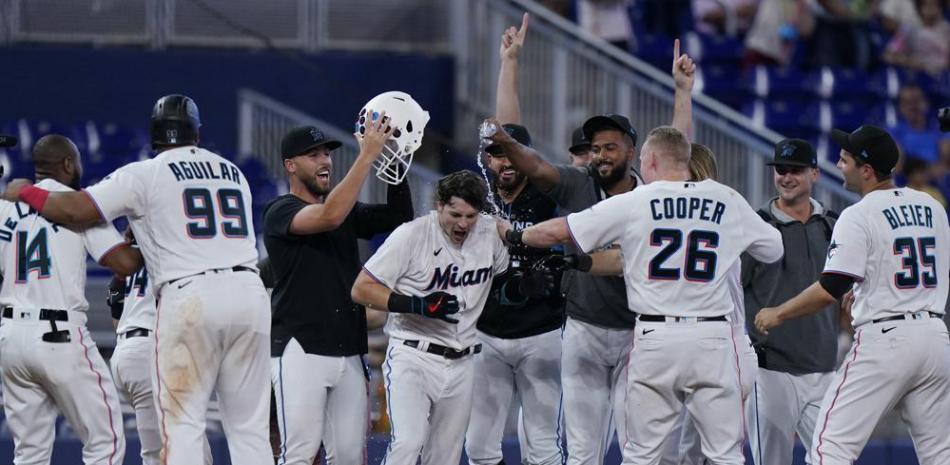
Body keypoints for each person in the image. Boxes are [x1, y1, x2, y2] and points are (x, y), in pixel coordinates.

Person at [3, 95, 274, 465]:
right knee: (248, 430)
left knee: (183, 426)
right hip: (248, 291)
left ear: (155, 136)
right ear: (197, 132)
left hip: (189, 296)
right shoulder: (234, 172)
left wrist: (26, 192)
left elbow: (77, 207)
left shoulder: (145, 173)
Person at [501, 126, 783, 464]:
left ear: (648, 161)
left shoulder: (638, 200)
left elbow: (562, 230)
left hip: (656, 336)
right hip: (713, 337)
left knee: (641, 454)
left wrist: (515, 237)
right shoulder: (727, 197)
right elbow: (773, 248)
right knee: (725, 455)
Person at [483, 29, 697, 464]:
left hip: (639, 331)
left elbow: (677, 149)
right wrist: (505, 136)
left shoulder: (654, 192)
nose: (600, 154)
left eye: (610, 147)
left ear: (635, 152)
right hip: (582, 329)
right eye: (595, 148)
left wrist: (682, 93)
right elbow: (533, 162)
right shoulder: (578, 183)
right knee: (582, 450)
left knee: (640, 447)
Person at [755, 125, 950, 465]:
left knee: (829, 447)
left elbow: (831, 287)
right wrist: (868, 288)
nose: (838, 163)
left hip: (886, 339)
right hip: (934, 336)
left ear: (867, 170)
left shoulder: (858, 214)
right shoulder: (931, 206)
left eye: (845, 160)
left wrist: (779, 313)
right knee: (940, 453)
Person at [351, 170, 529, 465]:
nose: (463, 223)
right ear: (439, 205)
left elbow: (500, 286)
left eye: (470, 216)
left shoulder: (490, 233)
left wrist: (520, 287)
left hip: (463, 361)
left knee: (445, 456)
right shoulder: (412, 234)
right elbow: (361, 289)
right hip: (413, 354)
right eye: (456, 214)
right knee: (408, 443)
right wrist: (416, 304)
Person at [265, 117, 413, 465]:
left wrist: (394, 159)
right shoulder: (280, 211)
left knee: (349, 457)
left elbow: (398, 216)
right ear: (290, 165)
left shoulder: (342, 210)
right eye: (313, 155)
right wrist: (367, 155)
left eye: (327, 154)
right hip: (300, 347)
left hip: (348, 347)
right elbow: (329, 216)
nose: (325, 161)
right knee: (299, 454)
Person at [0, 134, 143, 465]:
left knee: (30, 452)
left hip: (11, 337)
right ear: (68, 164)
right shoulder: (76, 206)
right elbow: (124, 265)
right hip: (58, 336)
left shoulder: (5, 207)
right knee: (104, 440)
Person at [465, 15, 565, 465]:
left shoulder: (548, 193)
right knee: (478, 446)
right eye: (496, 154)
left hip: (541, 334)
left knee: (541, 445)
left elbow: (509, 129)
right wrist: (508, 61)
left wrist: (511, 66)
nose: (505, 162)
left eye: (513, 155)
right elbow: (502, 133)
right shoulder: (478, 194)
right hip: (486, 333)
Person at [742, 139, 840, 465]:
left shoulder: (834, 225)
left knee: (835, 459)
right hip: (771, 369)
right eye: (780, 170)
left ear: (815, 173)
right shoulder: (754, 227)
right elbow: (730, 290)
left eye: (795, 170)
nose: (786, 177)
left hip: (824, 368)